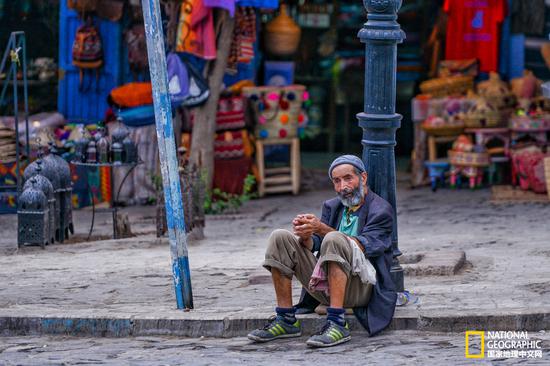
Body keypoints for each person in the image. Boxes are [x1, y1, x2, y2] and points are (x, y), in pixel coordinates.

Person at [247, 155, 397, 348]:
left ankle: (337, 323)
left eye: (348, 178)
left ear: (363, 178)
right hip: (325, 284)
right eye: (337, 181)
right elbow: (316, 244)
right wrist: (306, 234)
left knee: (335, 238)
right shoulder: (332, 206)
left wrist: (321, 228)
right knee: (280, 237)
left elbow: (362, 246)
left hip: (362, 288)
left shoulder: (381, 210)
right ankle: (286, 320)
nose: (343, 186)